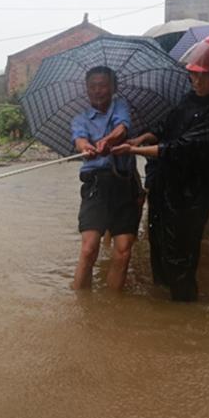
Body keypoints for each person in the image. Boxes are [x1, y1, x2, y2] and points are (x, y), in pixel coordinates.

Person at [112, 36, 209, 301]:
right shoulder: (189, 100)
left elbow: (180, 148)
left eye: (204, 77)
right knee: (157, 244)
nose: (197, 82)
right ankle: (162, 306)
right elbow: (166, 128)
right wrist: (143, 138)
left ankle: (183, 312)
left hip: (192, 196)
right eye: (193, 76)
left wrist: (134, 151)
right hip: (165, 187)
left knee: (181, 256)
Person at [70, 66, 140, 291]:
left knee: (123, 250)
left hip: (124, 183)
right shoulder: (79, 119)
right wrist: (87, 147)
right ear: (87, 89)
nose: (98, 91)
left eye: (103, 85)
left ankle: (112, 311)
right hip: (96, 185)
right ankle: (80, 307)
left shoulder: (120, 106)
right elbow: (79, 140)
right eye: (93, 86)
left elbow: (122, 129)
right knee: (89, 248)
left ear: (112, 88)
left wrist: (106, 142)